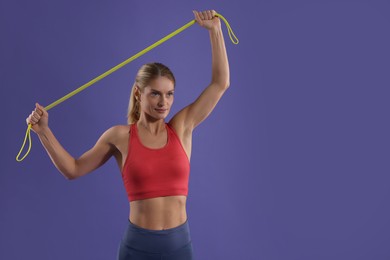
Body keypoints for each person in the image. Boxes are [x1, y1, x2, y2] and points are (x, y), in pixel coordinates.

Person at [26, 9, 230, 260]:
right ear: (138, 93)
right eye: (155, 93)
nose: (163, 102)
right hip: (138, 248)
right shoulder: (119, 137)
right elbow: (73, 169)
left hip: (179, 247)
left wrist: (216, 31)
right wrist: (43, 131)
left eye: (169, 94)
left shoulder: (182, 127)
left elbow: (220, 83)